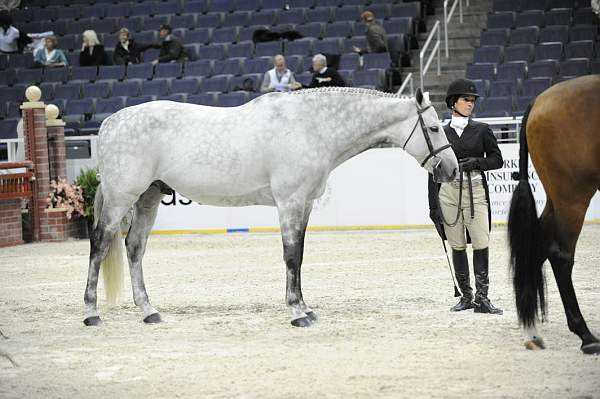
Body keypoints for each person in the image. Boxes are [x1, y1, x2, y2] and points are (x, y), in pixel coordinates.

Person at [428, 78, 503, 315]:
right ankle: (466, 296)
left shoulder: (482, 130)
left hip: (476, 191)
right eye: (466, 100)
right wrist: (433, 206)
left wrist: (477, 162)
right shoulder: (441, 132)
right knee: (457, 245)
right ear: (453, 102)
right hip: (448, 193)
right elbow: (433, 170)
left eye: (472, 101)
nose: (470, 104)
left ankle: (483, 298)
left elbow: (497, 160)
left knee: (481, 242)